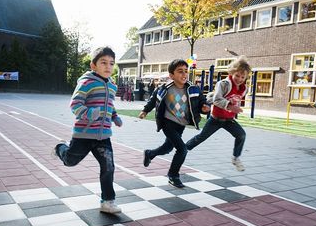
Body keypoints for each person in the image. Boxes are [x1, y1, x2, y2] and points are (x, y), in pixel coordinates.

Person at [53, 47, 123, 214]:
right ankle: (60, 148)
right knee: (70, 161)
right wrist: (90, 113)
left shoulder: (112, 86)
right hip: (84, 134)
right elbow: (75, 104)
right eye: (103, 62)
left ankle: (108, 201)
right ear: (93, 65)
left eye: (111, 63)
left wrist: (114, 116)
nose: (108, 66)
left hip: (103, 136)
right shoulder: (87, 82)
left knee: (108, 166)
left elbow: (109, 105)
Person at [138, 59, 210, 188]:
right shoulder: (164, 88)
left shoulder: (193, 88)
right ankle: (173, 175)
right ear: (171, 75)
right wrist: (145, 110)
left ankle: (150, 153)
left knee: (167, 148)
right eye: (180, 71)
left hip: (181, 124)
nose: (184, 74)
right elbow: (153, 100)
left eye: (186, 71)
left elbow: (201, 102)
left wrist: (205, 107)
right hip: (167, 122)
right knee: (182, 149)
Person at [186, 56, 251, 171]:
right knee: (201, 137)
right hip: (216, 119)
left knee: (241, 135)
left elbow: (235, 99)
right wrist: (230, 106)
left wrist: (235, 107)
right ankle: (184, 148)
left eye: (243, 77)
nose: (239, 79)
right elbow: (216, 100)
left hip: (229, 120)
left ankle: (236, 158)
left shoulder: (243, 88)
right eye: (237, 75)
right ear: (232, 72)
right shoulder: (223, 84)